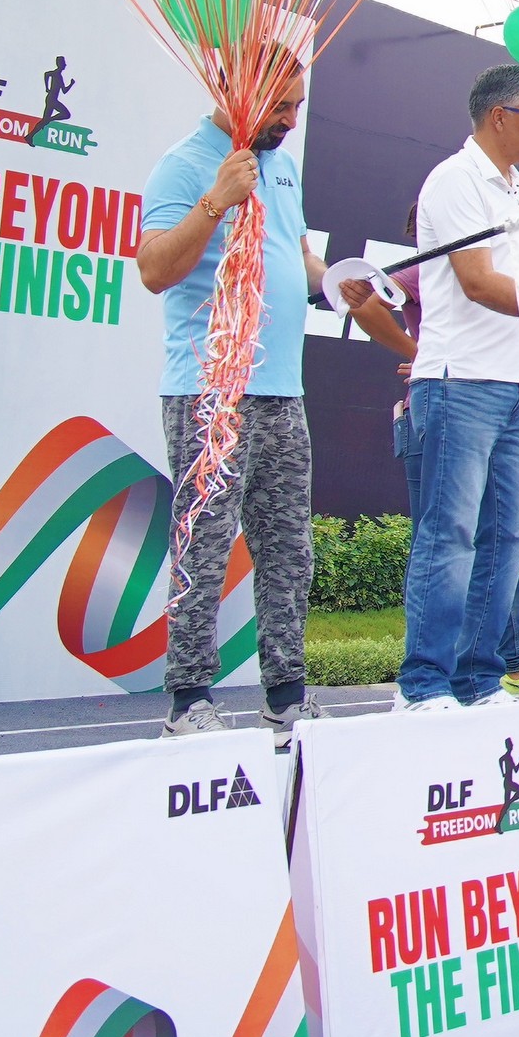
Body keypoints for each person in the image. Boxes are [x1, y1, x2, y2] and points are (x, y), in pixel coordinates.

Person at [139, 72, 405, 742]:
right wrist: (215, 202)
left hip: (283, 390)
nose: (290, 119)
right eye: (279, 106)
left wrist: (334, 282)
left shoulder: (281, 167)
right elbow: (153, 270)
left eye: (296, 106)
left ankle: (286, 697)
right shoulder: (184, 165)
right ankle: (187, 701)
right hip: (211, 392)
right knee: (204, 546)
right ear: (241, 91)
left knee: (288, 550)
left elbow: (297, 255)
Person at [397, 65, 519, 712]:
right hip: (460, 382)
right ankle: (423, 684)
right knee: (450, 535)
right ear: (498, 116)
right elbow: (476, 281)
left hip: (513, 382)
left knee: (508, 537)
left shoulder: (513, 192)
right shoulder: (456, 180)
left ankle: (476, 679)